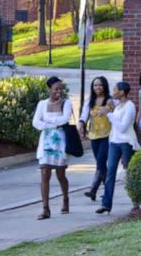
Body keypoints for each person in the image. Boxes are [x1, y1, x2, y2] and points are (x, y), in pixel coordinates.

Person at [32, 76, 73, 220]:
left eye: (61, 89)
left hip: (60, 143)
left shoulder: (66, 103)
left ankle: (65, 198)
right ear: (49, 89)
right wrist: (52, 124)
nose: (59, 92)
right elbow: (36, 122)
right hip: (46, 143)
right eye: (56, 89)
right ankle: (45, 208)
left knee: (61, 175)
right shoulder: (42, 104)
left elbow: (65, 119)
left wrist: (48, 121)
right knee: (45, 173)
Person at [98, 81, 140, 214]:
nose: (113, 92)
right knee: (110, 173)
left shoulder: (130, 107)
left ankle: (136, 200)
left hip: (126, 142)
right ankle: (106, 204)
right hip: (114, 142)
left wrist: (108, 114)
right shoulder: (117, 106)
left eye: (115, 90)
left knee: (129, 172)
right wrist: (108, 110)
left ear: (122, 92)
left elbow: (122, 127)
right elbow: (110, 105)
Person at [78, 76, 111, 201]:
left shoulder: (110, 101)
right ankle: (107, 192)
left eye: (100, 85)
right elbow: (84, 116)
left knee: (101, 163)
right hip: (94, 136)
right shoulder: (89, 102)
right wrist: (81, 124)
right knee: (101, 165)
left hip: (107, 136)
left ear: (105, 86)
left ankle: (93, 190)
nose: (98, 87)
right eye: (95, 85)